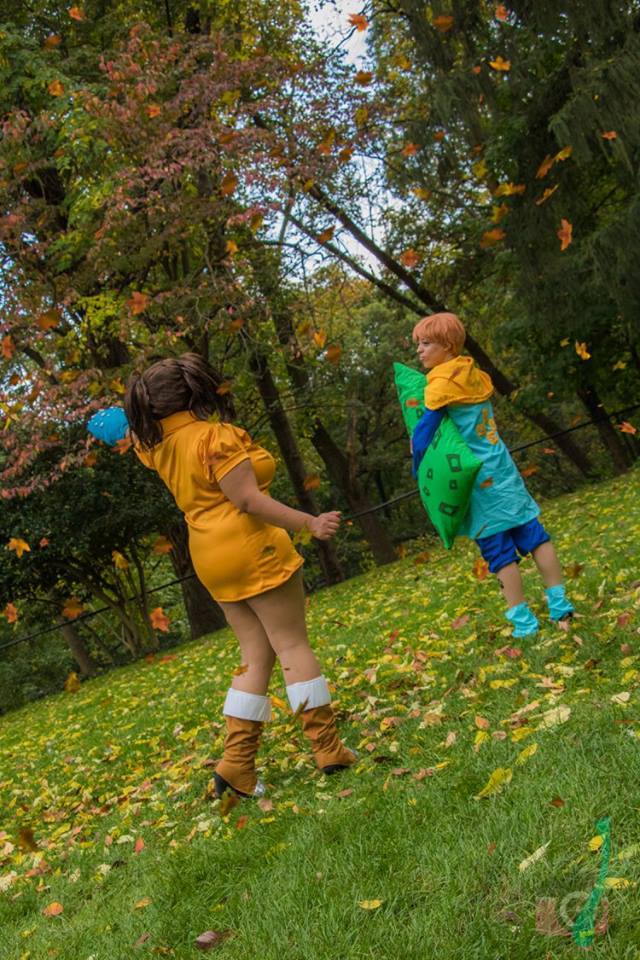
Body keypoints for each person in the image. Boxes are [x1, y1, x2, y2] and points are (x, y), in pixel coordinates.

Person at [88, 353, 355, 798]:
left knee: (255, 656)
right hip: (252, 547)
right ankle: (328, 750)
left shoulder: (156, 446)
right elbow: (247, 500)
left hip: (210, 556)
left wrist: (120, 421)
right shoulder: (215, 437)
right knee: (292, 645)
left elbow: (130, 434)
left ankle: (236, 766)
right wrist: (309, 523)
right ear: (196, 392)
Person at [410, 313, 574, 638]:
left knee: (498, 551)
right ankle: (560, 605)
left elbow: (423, 436)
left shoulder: (441, 385)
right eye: (419, 344)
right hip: (502, 467)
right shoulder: (472, 374)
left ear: (447, 345)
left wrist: (419, 467)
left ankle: (524, 625)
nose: (419, 350)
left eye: (426, 343)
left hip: (477, 482)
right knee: (534, 534)